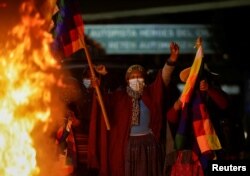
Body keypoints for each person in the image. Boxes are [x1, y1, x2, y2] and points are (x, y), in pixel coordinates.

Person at [88, 42, 180, 176]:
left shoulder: (152, 93)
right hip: (128, 145)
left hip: (149, 144)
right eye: (132, 77)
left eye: (139, 76)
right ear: (127, 81)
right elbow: (104, 102)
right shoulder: (120, 97)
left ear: (145, 79)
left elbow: (163, 77)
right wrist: (97, 87)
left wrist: (172, 59)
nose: (136, 79)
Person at [165, 64, 230, 175]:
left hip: (211, 146)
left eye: (200, 77)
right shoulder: (185, 97)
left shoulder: (213, 92)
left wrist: (209, 89)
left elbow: (224, 105)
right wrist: (176, 106)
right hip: (189, 147)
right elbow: (171, 118)